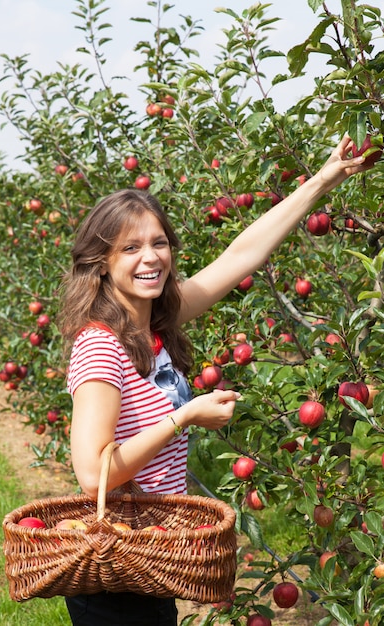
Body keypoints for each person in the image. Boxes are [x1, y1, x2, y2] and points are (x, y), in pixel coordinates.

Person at [58, 136, 370, 626]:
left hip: (151, 553)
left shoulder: (155, 323)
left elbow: (241, 256)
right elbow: (94, 474)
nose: (150, 258)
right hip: (114, 566)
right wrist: (184, 417)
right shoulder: (101, 344)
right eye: (131, 248)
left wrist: (323, 180)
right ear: (101, 262)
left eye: (159, 243)